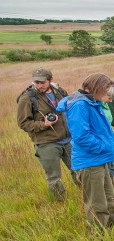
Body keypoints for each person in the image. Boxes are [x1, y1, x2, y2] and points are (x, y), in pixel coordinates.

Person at [57, 73, 114, 230]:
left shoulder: (91, 102)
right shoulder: (79, 106)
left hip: (99, 159)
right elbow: (82, 137)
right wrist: (103, 147)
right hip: (90, 162)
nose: (107, 94)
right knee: (97, 204)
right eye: (105, 89)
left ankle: (112, 229)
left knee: (108, 198)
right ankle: (99, 234)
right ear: (94, 88)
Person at [16, 67, 79, 201]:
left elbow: (69, 110)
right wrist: (43, 124)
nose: (39, 85)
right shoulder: (27, 98)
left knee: (79, 170)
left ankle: (87, 195)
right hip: (46, 143)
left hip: (68, 140)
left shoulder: (60, 91)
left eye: (42, 82)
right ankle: (61, 205)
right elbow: (23, 123)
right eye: (36, 82)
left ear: (51, 80)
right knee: (54, 178)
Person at [100, 85, 114, 181]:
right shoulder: (96, 107)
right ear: (102, 94)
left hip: (110, 144)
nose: (111, 101)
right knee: (106, 173)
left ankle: (111, 193)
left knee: (111, 170)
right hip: (103, 146)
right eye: (110, 98)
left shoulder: (105, 105)